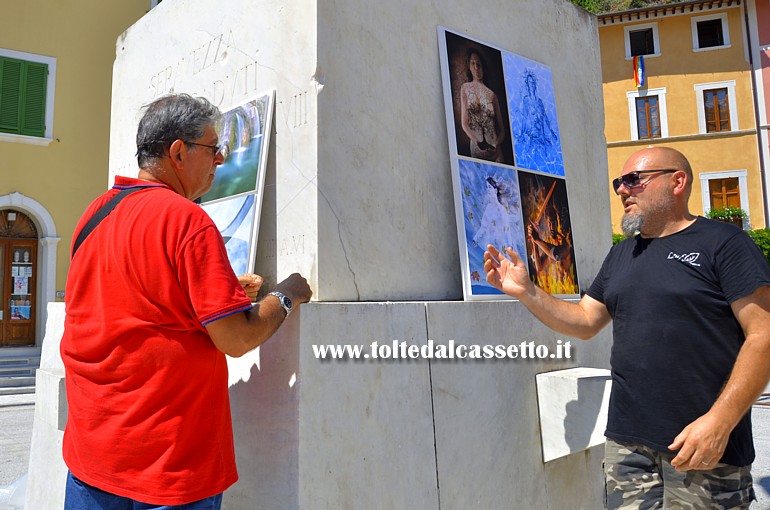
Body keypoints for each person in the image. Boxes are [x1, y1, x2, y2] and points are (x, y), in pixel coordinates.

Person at [60, 93, 312, 509]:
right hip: (167, 466)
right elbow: (235, 338)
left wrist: (220, 291)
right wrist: (285, 295)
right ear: (179, 152)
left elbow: (127, 301)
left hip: (92, 457)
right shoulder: (187, 220)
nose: (220, 160)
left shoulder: (94, 215)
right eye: (214, 149)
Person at [484, 147, 770, 509]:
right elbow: (585, 321)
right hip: (628, 445)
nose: (622, 189)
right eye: (620, 182)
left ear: (677, 182)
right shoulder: (622, 254)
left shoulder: (726, 245)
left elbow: (763, 336)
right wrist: (527, 292)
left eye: (634, 180)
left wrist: (720, 422)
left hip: (703, 447)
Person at [459, 49, 506, 163]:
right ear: (469, 67)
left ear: (483, 67)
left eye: (479, 64)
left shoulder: (492, 95)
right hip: (476, 150)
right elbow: (464, 123)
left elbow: (502, 129)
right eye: (473, 63)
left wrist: (496, 144)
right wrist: (477, 142)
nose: (476, 67)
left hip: (495, 151)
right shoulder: (465, 88)